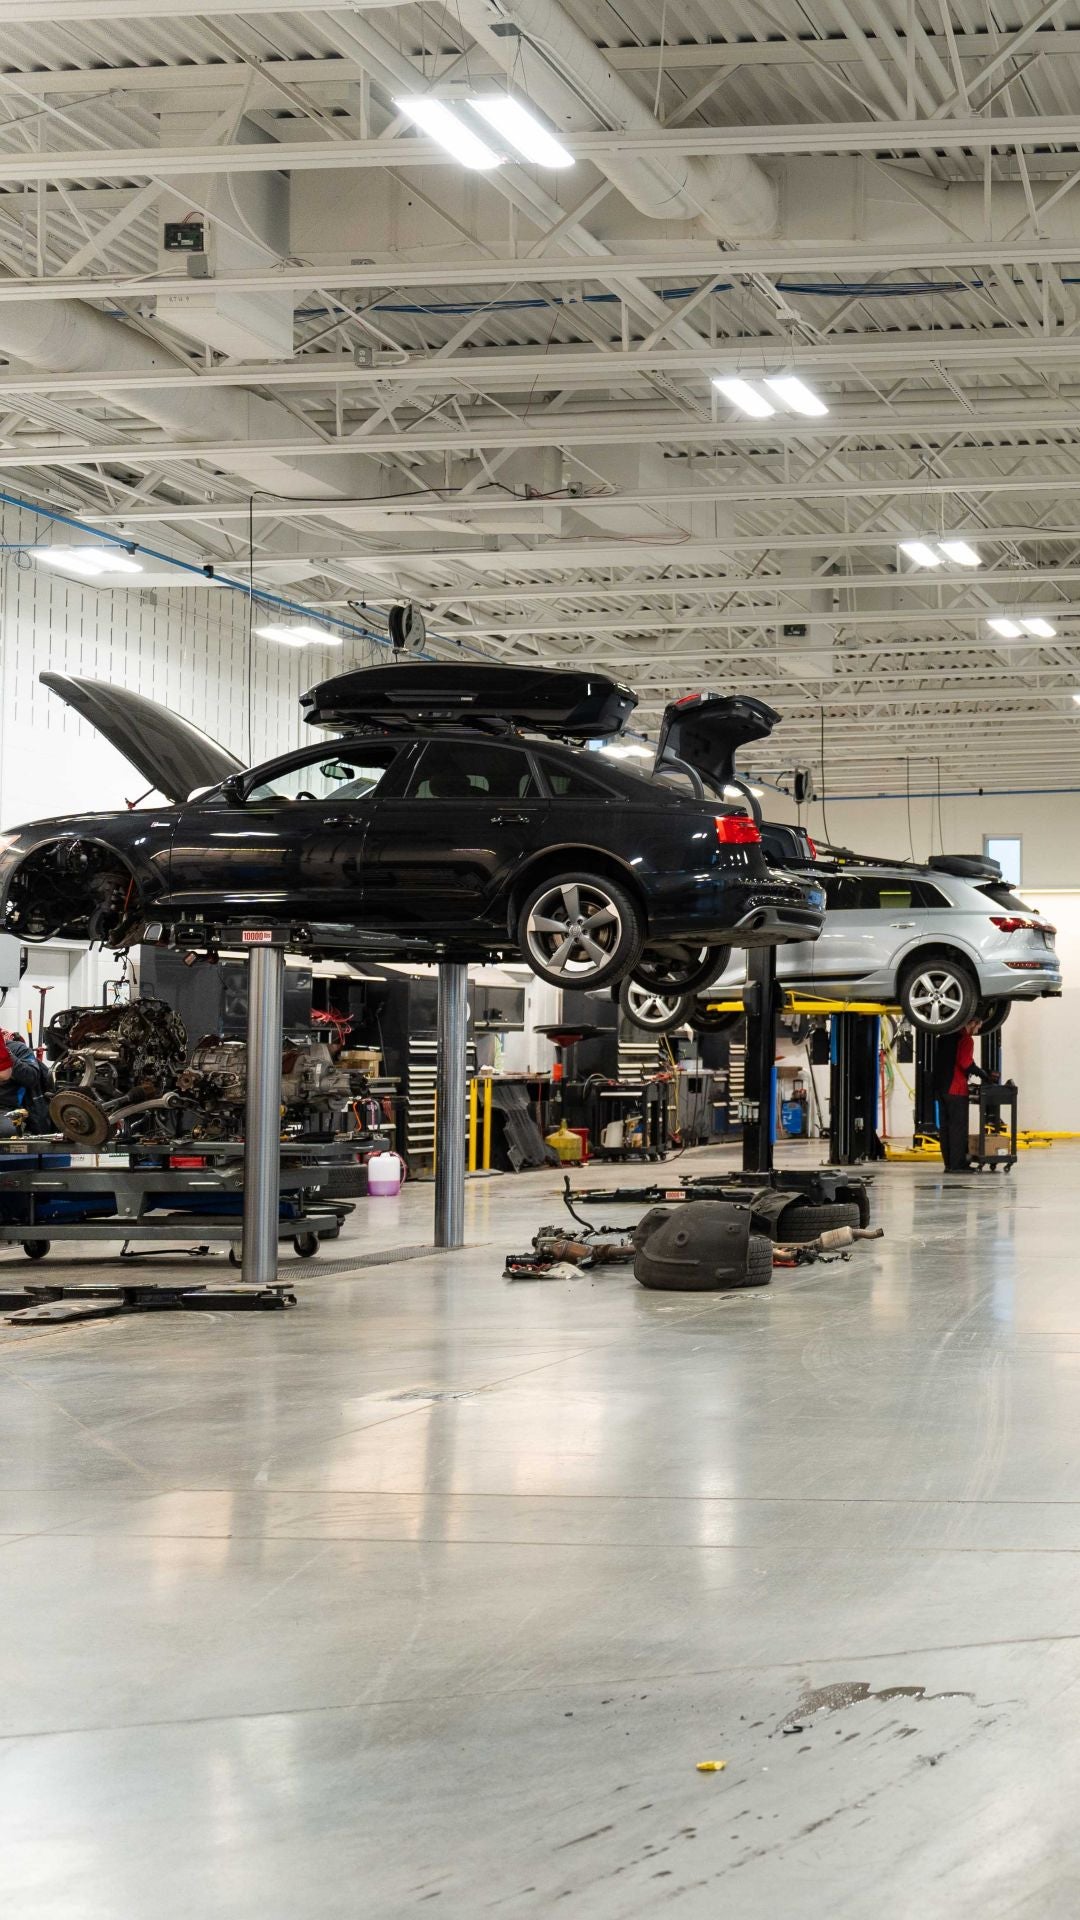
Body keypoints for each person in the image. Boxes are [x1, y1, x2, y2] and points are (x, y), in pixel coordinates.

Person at [932, 1018, 994, 1172]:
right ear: (972, 1023)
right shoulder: (966, 1039)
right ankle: (958, 1165)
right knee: (958, 1128)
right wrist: (984, 1074)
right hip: (956, 1089)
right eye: (978, 1027)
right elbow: (965, 1062)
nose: (977, 1031)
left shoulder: (944, 1037)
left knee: (945, 1128)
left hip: (941, 1089)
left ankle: (949, 1164)